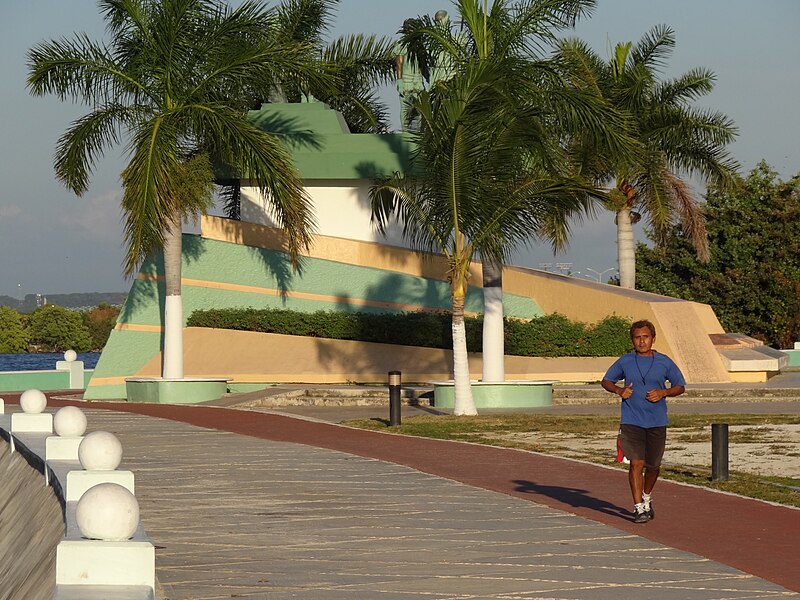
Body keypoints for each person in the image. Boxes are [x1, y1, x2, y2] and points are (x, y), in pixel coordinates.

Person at [601, 319, 685, 523]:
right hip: (632, 420)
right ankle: (638, 507)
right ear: (632, 340)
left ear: (653, 339)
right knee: (636, 463)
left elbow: (680, 385)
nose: (641, 341)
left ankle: (647, 497)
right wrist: (619, 390)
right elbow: (606, 380)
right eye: (637, 338)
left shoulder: (664, 361)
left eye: (645, 337)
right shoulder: (625, 361)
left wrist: (663, 392)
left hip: (656, 421)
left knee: (653, 466)